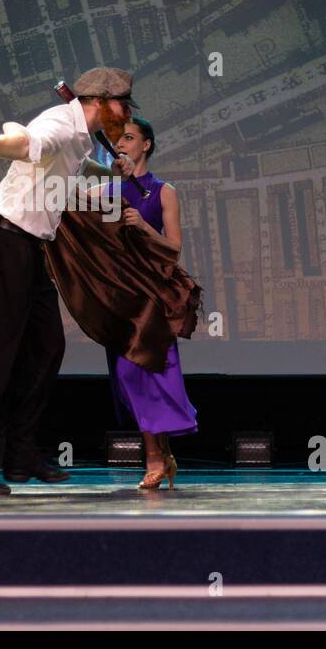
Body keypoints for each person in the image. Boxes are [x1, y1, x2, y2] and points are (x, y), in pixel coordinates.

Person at [0, 67, 137, 494]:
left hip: (29, 248)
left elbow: (75, 168)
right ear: (101, 102)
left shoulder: (80, 136)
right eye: (122, 104)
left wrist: (112, 175)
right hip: (5, 241)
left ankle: (20, 453)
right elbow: (28, 143)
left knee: (47, 348)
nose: (126, 114)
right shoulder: (58, 124)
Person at [103, 118, 197, 489]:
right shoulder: (109, 190)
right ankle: (162, 454)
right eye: (117, 139)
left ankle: (156, 458)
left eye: (129, 138)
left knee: (152, 369)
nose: (121, 144)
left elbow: (173, 248)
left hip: (152, 296)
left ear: (147, 145)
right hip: (121, 295)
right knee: (129, 377)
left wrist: (143, 227)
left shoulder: (163, 191)